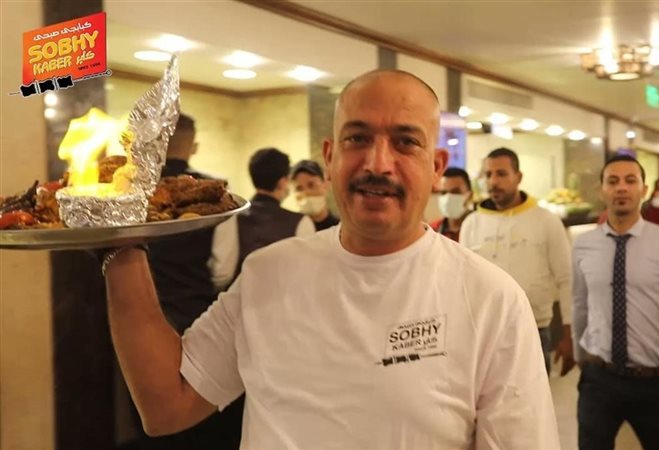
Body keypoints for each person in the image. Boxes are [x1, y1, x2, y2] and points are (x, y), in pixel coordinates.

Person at [101, 69, 560, 449]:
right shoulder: (267, 274)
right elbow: (167, 406)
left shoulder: (492, 300)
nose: (378, 163)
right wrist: (121, 243)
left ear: (436, 166)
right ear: (330, 156)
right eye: (357, 138)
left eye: (405, 142)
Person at [572, 154, 659, 450]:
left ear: (643, 190)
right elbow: (580, 304)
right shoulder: (584, 245)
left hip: (655, 381)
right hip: (600, 378)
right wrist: (580, 357)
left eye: (630, 181)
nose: (621, 188)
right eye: (613, 181)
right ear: (602, 190)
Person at [140, 113, 244, 449]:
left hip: (143, 319)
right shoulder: (217, 196)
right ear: (193, 145)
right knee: (204, 426)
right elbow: (223, 268)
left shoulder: (133, 192)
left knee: (153, 420)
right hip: (197, 316)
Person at [461, 147, 574, 377]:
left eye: (501, 174)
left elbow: (567, 278)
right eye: (488, 175)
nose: (493, 181)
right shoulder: (472, 224)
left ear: (518, 177)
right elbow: (463, 283)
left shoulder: (546, 221)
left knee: (532, 399)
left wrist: (569, 333)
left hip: (534, 330)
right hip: (484, 334)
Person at [212, 148, 315, 280]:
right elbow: (306, 273)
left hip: (243, 291)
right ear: (282, 182)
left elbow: (222, 274)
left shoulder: (231, 216)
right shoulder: (301, 222)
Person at [290, 159, 339, 231]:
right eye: (299, 188)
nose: (306, 192)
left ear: (325, 184)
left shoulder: (340, 229)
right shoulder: (290, 230)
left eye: (311, 185)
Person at [429, 167, 473, 241]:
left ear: (470, 196)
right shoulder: (432, 231)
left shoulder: (480, 228)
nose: (448, 197)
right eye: (443, 192)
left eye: (455, 192)